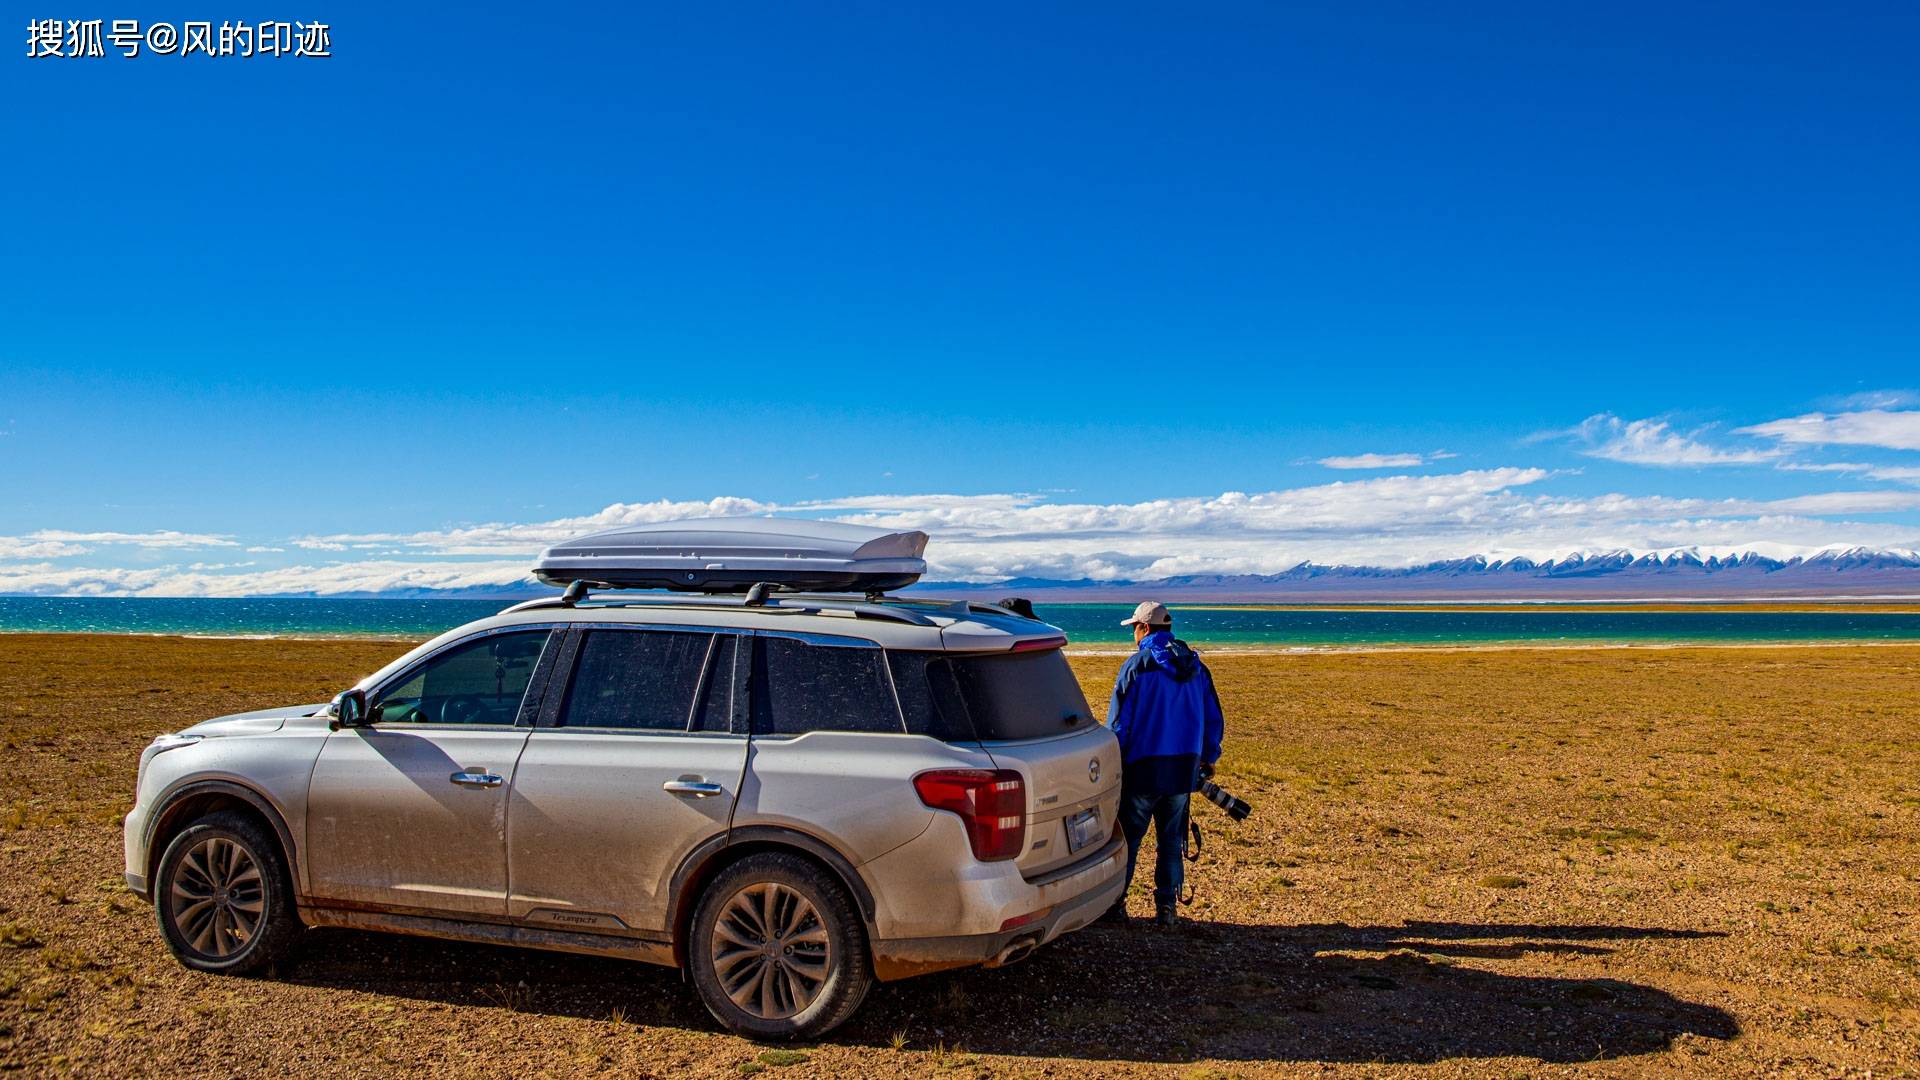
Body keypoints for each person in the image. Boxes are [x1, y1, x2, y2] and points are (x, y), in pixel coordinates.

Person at [1101, 601, 1224, 928]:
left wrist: (1116, 762)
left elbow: (1119, 725)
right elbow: (1214, 718)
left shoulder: (1137, 666)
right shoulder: (1196, 665)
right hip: (1183, 771)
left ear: (1144, 628)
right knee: (1170, 841)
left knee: (1127, 841)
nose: (1133, 635)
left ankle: (1114, 905)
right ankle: (1167, 909)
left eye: (1134, 628)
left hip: (1143, 769)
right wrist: (1208, 758)